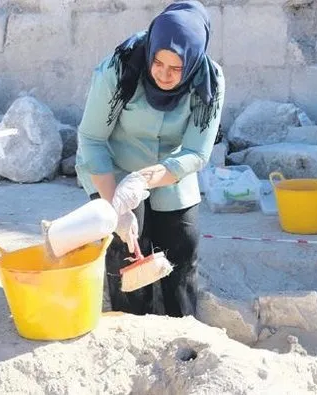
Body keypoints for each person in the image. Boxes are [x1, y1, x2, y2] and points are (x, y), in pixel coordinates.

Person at [75, 0, 225, 317]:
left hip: (169, 170)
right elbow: (91, 138)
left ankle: (182, 330)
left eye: (176, 69)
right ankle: (130, 325)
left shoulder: (209, 81)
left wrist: (144, 178)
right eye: (158, 63)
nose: (164, 76)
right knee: (126, 248)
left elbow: (196, 153)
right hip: (112, 166)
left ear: (194, 63)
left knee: (182, 246)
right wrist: (117, 204)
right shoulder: (119, 69)